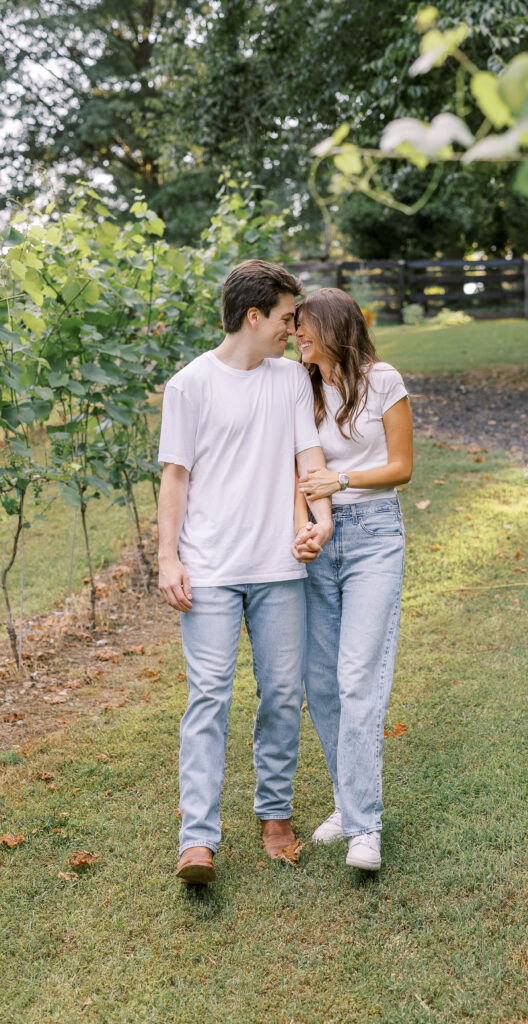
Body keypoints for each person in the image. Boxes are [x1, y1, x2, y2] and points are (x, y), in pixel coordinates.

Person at [157, 259, 332, 885]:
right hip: (208, 570)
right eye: (286, 317)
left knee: (284, 692)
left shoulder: (288, 380)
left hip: (279, 565)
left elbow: (307, 453)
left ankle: (276, 814)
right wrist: (167, 558)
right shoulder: (190, 385)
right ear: (253, 317)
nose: (293, 328)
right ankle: (197, 840)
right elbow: (174, 477)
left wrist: (322, 517)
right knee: (208, 697)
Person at [293, 288, 413, 871]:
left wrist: (342, 485)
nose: (297, 336)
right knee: (321, 681)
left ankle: (365, 828)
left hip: (374, 533)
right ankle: (348, 800)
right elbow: (297, 462)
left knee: (358, 676)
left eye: (306, 326)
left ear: (336, 327)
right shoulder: (302, 386)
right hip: (319, 538)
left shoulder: (383, 379)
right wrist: (314, 520)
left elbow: (402, 467)